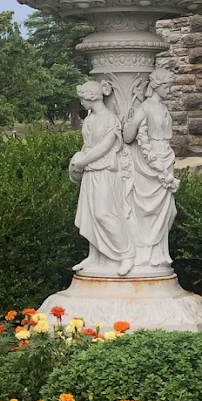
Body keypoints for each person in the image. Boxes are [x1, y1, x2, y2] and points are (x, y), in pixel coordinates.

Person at [68, 78, 133, 276]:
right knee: (90, 214)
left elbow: (104, 147)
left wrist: (83, 161)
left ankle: (127, 254)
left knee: (104, 213)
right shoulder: (89, 119)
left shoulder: (110, 119)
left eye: (83, 98)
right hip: (90, 171)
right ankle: (95, 257)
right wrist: (79, 162)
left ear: (92, 97)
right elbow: (87, 146)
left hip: (105, 171)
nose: (81, 103)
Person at [122, 67, 179, 270]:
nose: (169, 91)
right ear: (156, 85)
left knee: (169, 211)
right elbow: (128, 137)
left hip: (165, 157)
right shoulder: (145, 107)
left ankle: (159, 252)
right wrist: (133, 120)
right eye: (166, 86)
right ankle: (144, 253)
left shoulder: (162, 107)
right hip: (148, 162)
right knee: (146, 210)